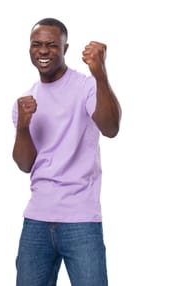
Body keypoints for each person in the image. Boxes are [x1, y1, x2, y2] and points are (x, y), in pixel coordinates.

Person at [11, 17, 122, 286]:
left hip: (80, 218)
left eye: (52, 45)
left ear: (65, 48)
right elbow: (25, 164)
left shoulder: (86, 86)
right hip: (36, 219)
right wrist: (24, 127)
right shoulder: (26, 99)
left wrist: (100, 73)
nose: (44, 51)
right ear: (29, 49)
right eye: (37, 44)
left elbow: (110, 127)